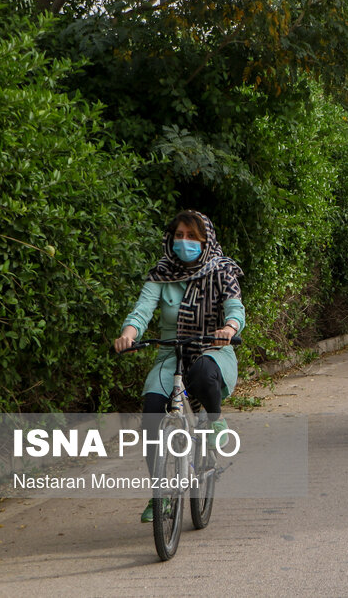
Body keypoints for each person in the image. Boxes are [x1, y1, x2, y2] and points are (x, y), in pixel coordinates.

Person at [114, 210, 245, 523]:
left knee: (201, 373)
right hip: (171, 352)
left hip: (214, 348)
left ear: (205, 240)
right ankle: (162, 493)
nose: (184, 242)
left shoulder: (222, 271)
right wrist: (128, 334)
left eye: (191, 236)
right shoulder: (161, 273)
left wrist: (229, 328)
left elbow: (235, 307)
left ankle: (214, 422)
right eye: (179, 236)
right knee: (151, 414)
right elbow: (142, 311)